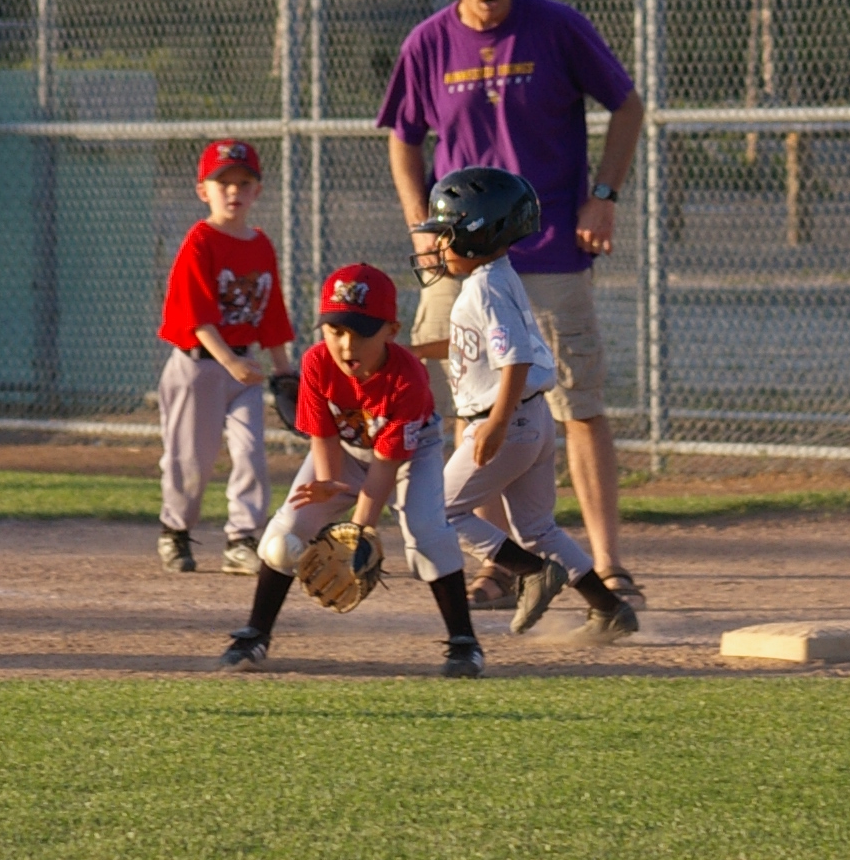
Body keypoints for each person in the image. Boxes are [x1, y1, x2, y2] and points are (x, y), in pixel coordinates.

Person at [378, 0, 644, 610]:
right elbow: (404, 137)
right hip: (459, 256)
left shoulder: (556, 27)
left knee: (578, 404)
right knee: (469, 400)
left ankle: (609, 566)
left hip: (550, 245)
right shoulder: (428, 42)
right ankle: (501, 567)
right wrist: (420, 224)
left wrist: (603, 198)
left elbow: (627, 105)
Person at [221, 263, 482, 677]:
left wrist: (360, 530)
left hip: (412, 453)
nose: (346, 345)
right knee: (283, 537)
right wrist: (328, 482)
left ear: (391, 331)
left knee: (428, 536)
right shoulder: (316, 362)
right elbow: (324, 435)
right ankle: (255, 634)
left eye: (361, 333)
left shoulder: (408, 377)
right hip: (345, 449)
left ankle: (465, 643)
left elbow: (386, 463)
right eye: (336, 330)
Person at [423, 167, 641, 640]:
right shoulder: (497, 277)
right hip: (531, 418)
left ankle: (532, 572)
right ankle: (609, 608)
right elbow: (477, 347)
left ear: (477, 235)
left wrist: (497, 424)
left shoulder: (484, 288)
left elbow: (515, 357)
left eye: (446, 234)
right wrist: (408, 351)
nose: (438, 245)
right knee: (538, 528)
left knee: (438, 511)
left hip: (505, 421)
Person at [155, 137, 293, 574]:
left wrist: (285, 371)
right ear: (203, 191)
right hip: (197, 366)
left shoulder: (261, 244)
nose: (234, 191)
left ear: (258, 190)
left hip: (243, 368)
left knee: (252, 454)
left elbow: (271, 312)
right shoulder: (200, 241)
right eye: (223, 183)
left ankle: (241, 538)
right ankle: (175, 531)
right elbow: (197, 316)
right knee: (190, 461)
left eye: (244, 182)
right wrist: (231, 363)